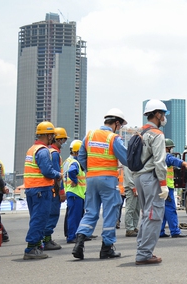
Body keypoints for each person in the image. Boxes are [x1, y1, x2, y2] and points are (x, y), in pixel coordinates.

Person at [72, 108, 129, 260]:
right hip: (108, 180)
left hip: (91, 179)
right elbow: (125, 159)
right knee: (111, 211)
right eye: (120, 126)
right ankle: (106, 248)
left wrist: (91, 170)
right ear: (116, 123)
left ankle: (79, 242)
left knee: (90, 212)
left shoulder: (89, 135)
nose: (120, 129)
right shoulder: (113, 138)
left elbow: (81, 157)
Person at [132, 99, 170, 265]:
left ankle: (142, 248)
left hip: (138, 177)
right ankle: (144, 253)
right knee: (154, 215)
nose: (164, 118)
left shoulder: (139, 132)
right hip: (151, 178)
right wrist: (163, 184)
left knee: (146, 214)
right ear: (157, 114)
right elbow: (159, 161)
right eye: (162, 114)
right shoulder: (157, 134)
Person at [23, 121, 62, 260]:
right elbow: (47, 171)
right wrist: (58, 175)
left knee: (36, 218)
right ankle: (31, 248)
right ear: (48, 135)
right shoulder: (43, 151)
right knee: (40, 219)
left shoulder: (31, 149)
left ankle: (36, 245)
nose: (52, 138)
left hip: (31, 189)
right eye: (51, 135)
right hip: (41, 189)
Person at [160, 138, 187, 238]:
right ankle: (175, 231)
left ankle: (160, 231)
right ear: (167, 148)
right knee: (170, 209)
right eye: (170, 148)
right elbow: (173, 160)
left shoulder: (156, 157)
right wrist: (185, 163)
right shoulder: (165, 156)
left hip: (159, 187)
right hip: (167, 187)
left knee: (162, 211)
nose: (170, 151)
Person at [43, 127, 67, 250]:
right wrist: (61, 192)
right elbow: (57, 175)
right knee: (52, 214)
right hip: (54, 189)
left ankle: (45, 240)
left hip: (46, 188)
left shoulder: (47, 151)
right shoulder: (54, 153)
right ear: (57, 139)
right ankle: (47, 240)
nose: (63, 143)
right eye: (62, 140)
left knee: (45, 214)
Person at [62, 140, 85, 244]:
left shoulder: (72, 162)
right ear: (77, 152)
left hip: (75, 193)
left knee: (75, 216)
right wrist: (75, 181)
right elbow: (71, 172)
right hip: (75, 193)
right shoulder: (75, 163)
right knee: (74, 217)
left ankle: (74, 235)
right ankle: (71, 236)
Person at [123, 164, 139, 237]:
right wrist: (133, 187)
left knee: (137, 209)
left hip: (138, 186)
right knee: (130, 208)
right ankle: (129, 229)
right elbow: (128, 175)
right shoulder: (127, 161)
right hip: (131, 188)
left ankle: (134, 226)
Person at [116, 165, 126, 229]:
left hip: (127, 190)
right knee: (119, 207)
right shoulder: (118, 171)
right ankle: (117, 221)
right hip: (120, 191)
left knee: (131, 209)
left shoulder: (128, 170)